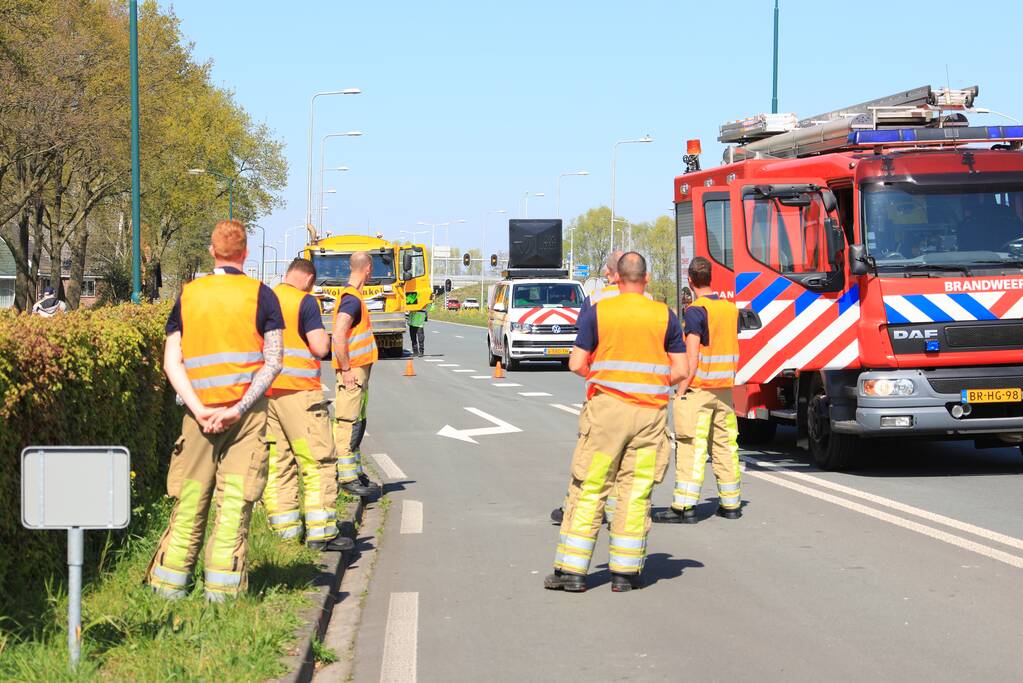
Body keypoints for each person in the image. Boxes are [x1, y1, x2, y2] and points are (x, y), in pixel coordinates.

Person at [145, 219, 284, 602]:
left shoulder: (189, 295)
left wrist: (199, 408)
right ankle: (221, 593)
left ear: (212, 251)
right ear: (245, 253)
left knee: (190, 497)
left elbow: (172, 361)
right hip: (246, 416)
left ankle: (168, 587)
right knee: (234, 500)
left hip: (196, 417)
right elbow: (273, 361)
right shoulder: (262, 296)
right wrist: (238, 408)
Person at [545, 252, 688, 593]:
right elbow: (681, 370)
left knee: (590, 486)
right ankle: (625, 574)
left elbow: (577, 363)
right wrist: (652, 383)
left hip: (607, 411)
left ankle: (573, 573)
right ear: (647, 279)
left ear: (616, 279)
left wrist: (604, 376)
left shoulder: (599, 311)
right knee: (636, 492)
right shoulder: (664, 316)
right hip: (650, 415)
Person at [261, 258, 354, 552]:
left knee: (279, 462)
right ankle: (322, 531)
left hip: (268, 394)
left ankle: (285, 531)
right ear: (310, 279)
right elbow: (320, 347)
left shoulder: (264, 298)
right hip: (300, 395)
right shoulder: (305, 302)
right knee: (317, 461)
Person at [654, 256, 742, 525]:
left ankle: (684, 506)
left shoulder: (695, 311)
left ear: (690, 280)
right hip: (725, 391)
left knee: (690, 446)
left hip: (699, 390)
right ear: (711, 278)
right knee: (726, 447)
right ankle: (731, 504)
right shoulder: (730, 309)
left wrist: (680, 390)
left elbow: (691, 357)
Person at [550, 250, 625, 525]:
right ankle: (619, 512)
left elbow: (579, 357)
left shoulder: (595, 301)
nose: (604, 273)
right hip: (642, 399)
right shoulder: (651, 304)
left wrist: (593, 377)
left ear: (615, 273)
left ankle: (574, 506)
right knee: (625, 462)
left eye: (607, 269)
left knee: (590, 456)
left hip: (603, 394)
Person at [331, 251, 382, 498]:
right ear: (368, 269)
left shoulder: (353, 296)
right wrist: (347, 368)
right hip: (353, 372)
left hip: (359, 371)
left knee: (357, 422)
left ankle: (355, 472)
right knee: (347, 424)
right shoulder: (351, 299)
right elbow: (339, 334)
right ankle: (346, 477)